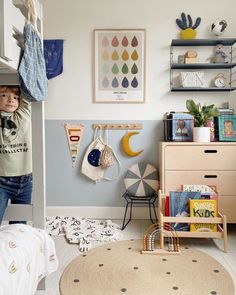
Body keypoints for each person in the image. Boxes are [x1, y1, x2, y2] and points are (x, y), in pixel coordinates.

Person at [0, 86, 32, 224]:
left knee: (19, 227)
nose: (10, 100)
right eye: (4, 95)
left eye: (15, 97)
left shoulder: (23, 115)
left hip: (25, 180)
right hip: (1, 181)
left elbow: (27, 91)